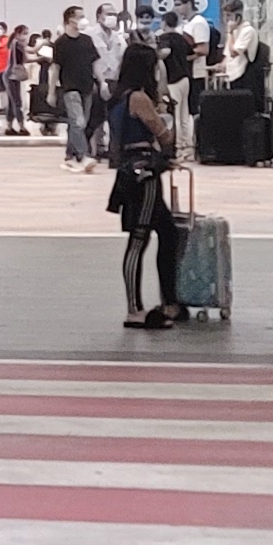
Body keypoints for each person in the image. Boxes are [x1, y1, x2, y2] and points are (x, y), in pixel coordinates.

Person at [107, 34, 186, 330]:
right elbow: (163, 135)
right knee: (139, 238)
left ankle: (169, 301)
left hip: (129, 170)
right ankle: (135, 309)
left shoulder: (118, 98)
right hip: (145, 174)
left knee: (167, 232)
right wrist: (166, 116)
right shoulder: (139, 99)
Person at [51, 6, 104, 169]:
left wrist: (102, 82)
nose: (83, 20)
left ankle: (70, 154)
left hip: (87, 86)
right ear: (70, 20)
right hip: (70, 87)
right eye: (80, 17)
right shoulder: (60, 43)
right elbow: (56, 68)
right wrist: (51, 92)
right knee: (78, 122)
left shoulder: (87, 41)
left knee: (78, 123)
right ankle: (83, 155)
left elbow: (95, 63)